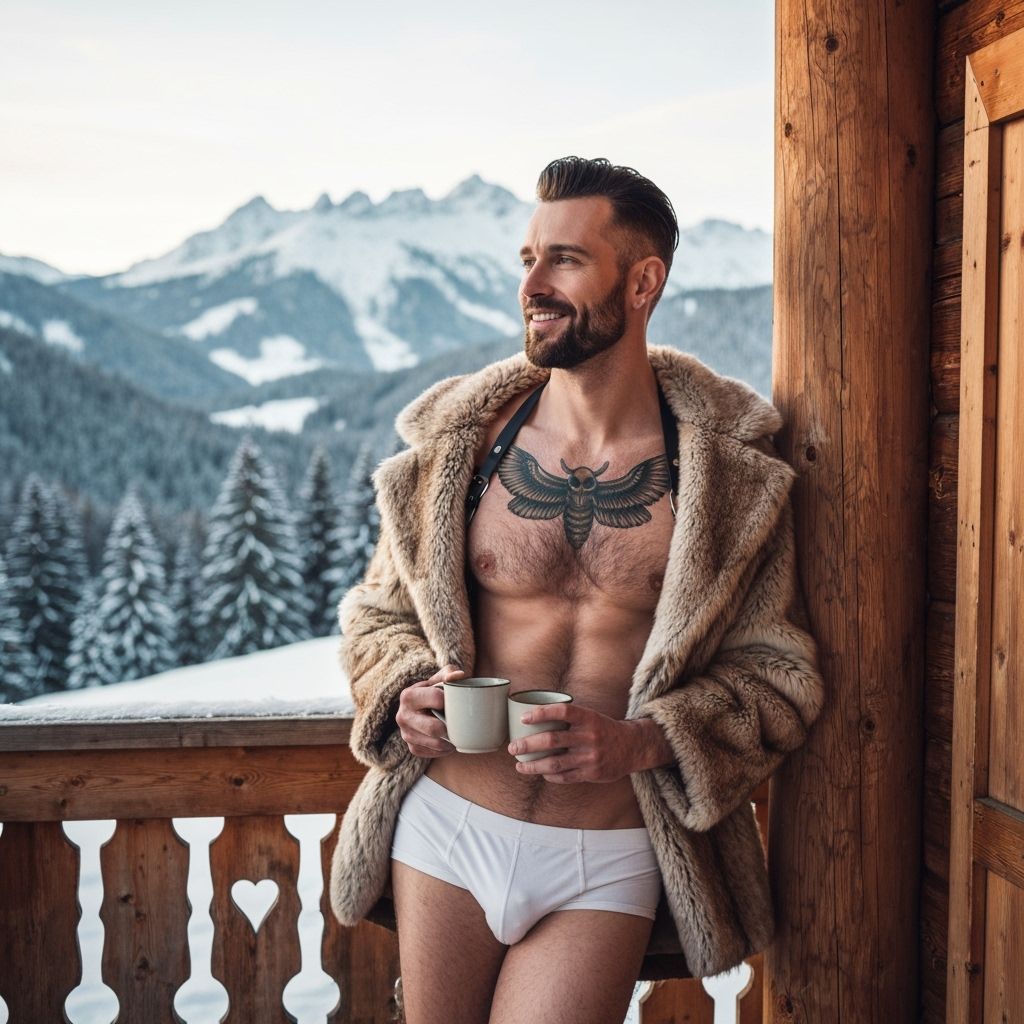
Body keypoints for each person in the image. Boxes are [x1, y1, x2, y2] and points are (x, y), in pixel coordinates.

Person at [329, 156, 824, 1024]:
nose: (534, 283)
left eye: (563, 259)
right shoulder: (465, 445)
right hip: (447, 823)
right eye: (527, 259)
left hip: (606, 854)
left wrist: (643, 743)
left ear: (642, 282)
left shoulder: (728, 482)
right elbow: (377, 616)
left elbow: (777, 679)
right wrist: (401, 690)